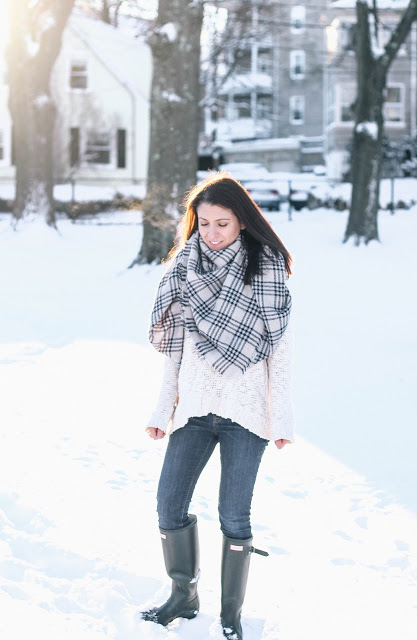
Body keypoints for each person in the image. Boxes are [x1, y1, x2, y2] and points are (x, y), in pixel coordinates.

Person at [141, 172, 294, 640]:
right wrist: (161, 409)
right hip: (193, 410)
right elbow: (175, 355)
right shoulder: (183, 271)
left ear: (243, 222)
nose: (211, 234)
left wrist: (281, 418)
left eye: (222, 224)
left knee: (234, 514)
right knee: (169, 503)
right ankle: (183, 595)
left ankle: (231, 615)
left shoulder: (266, 273)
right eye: (203, 223)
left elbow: (280, 356)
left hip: (246, 414)